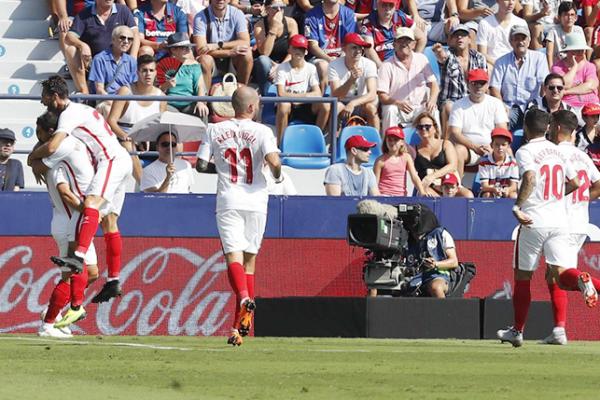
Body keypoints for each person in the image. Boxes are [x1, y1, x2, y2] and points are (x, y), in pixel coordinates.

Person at [28, 76, 133, 324]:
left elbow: (53, 147)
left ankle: (78, 256)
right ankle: (114, 280)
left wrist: (32, 157)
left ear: (55, 96)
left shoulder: (69, 113)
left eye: (45, 98)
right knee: (110, 222)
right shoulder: (85, 109)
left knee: (91, 204)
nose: (43, 103)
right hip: (120, 159)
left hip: (111, 160)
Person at [496, 108, 597, 347]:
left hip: (534, 220)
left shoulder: (525, 150)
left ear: (528, 129)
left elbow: (530, 178)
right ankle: (583, 280)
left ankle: (518, 331)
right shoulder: (558, 152)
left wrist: (518, 206)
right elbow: (575, 182)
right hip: (560, 221)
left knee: (523, 276)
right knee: (561, 275)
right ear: (547, 127)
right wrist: (553, 198)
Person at [195, 86, 282, 346]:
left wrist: (222, 169)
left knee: (232, 257)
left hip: (229, 199)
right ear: (252, 107)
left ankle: (244, 300)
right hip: (256, 200)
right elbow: (274, 163)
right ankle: (238, 329)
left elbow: (200, 165)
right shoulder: (263, 131)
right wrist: (276, 173)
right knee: (249, 264)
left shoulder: (214, 129)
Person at [31, 111, 99, 337]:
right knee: (72, 274)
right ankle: (49, 322)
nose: (36, 135)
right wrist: (90, 210)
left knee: (91, 273)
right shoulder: (58, 162)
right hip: (69, 221)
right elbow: (66, 194)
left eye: (39, 130)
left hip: (73, 220)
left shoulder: (57, 157)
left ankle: (54, 311)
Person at [541, 109, 600, 345]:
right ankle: (559, 330)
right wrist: (584, 198)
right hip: (579, 222)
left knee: (564, 276)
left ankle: (585, 282)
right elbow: (598, 183)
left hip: (559, 222)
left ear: (555, 128)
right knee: (551, 275)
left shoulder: (553, 154)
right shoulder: (582, 156)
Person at [107, 54, 168, 184]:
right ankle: (144, 186)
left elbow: (161, 126)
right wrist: (125, 136)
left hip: (149, 139)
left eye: (151, 70)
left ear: (156, 73)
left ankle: (172, 183)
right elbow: (111, 121)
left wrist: (149, 138)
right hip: (125, 138)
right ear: (137, 72)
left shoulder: (161, 96)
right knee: (129, 146)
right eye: (144, 70)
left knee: (174, 145)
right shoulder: (125, 91)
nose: (148, 74)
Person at [64, 0, 140, 94]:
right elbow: (68, 37)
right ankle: (85, 93)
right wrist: (82, 45)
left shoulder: (123, 10)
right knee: (71, 50)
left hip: (119, 61)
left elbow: (135, 34)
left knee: (146, 52)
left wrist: (132, 58)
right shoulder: (84, 14)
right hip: (93, 63)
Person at [448, 68, 509, 177]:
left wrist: (493, 146)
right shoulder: (458, 105)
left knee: (508, 151)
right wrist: (474, 147)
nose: (478, 86)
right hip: (468, 149)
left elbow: (502, 129)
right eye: (474, 83)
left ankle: (508, 188)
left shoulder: (496, 103)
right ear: (468, 84)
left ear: (487, 85)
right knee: (458, 150)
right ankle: (457, 187)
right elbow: (455, 133)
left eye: (482, 83)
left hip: (492, 146)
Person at [377, 27, 439, 131]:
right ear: (394, 44)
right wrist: (397, 103)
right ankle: (388, 144)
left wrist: (432, 101)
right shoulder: (386, 65)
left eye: (408, 41)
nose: (404, 44)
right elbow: (382, 96)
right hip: (398, 108)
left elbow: (434, 85)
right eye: (400, 40)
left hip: (420, 107)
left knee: (434, 110)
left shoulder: (422, 59)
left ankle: (437, 144)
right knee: (389, 110)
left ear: (414, 44)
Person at [489, 25, 549, 132]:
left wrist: (541, 105)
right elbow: (494, 87)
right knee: (501, 123)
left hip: (532, 106)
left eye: (523, 38)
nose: (520, 42)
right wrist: (502, 107)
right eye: (516, 39)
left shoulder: (539, 58)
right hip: (509, 106)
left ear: (529, 40)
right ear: (511, 42)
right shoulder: (501, 62)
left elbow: (544, 84)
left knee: (538, 123)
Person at [432, 24, 487, 136]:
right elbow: (442, 57)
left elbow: (484, 83)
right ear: (451, 40)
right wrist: (438, 52)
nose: (460, 38)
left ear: (469, 39)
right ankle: (447, 144)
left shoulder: (479, 58)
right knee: (449, 107)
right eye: (456, 36)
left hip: (473, 99)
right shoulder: (449, 55)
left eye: (463, 35)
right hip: (452, 99)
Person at [274, 34, 329, 144]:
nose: (298, 51)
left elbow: (317, 93)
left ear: (306, 52)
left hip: (305, 105)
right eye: (295, 48)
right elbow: (281, 93)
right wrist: (305, 96)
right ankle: (281, 144)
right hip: (288, 105)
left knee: (326, 106)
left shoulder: (311, 68)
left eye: (302, 49)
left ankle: (315, 140)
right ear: (289, 49)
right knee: (284, 105)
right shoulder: (282, 68)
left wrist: (297, 98)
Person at [193, 0, 253, 91]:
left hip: (232, 59)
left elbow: (245, 42)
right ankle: (204, 100)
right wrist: (229, 52)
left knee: (246, 53)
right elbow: (200, 49)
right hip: (212, 60)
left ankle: (242, 93)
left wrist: (218, 45)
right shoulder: (200, 17)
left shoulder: (237, 14)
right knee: (204, 59)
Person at [403, 203, 459, 298]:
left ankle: (444, 312)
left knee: (435, 287)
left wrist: (436, 264)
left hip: (438, 275)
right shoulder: (405, 237)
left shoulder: (441, 234)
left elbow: (454, 261)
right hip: (413, 277)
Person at [413, 112, 473, 197]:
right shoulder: (414, 149)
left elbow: (453, 166)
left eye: (427, 126)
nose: (423, 129)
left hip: (449, 184)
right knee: (425, 196)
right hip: (430, 188)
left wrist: (432, 176)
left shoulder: (445, 144)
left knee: (468, 195)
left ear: (434, 128)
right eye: (420, 127)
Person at [304, 0, 357, 93]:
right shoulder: (311, 15)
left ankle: (345, 99)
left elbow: (350, 42)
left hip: (343, 55)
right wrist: (330, 60)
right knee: (323, 66)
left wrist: (340, 59)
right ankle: (325, 102)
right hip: (320, 57)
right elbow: (313, 46)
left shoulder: (349, 14)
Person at [328, 33, 379, 129]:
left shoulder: (369, 64)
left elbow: (372, 94)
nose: (358, 51)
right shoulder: (334, 65)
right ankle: (333, 141)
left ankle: (376, 141)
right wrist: (351, 80)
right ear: (344, 49)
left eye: (360, 48)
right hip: (342, 103)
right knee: (337, 107)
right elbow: (336, 95)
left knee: (371, 108)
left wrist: (353, 103)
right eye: (354, 47)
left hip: (361, 103)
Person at [88, 25, 138, 117]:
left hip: (126, 102)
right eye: (122, 38)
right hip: (106, 101)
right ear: (113, 39)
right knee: (108, 108)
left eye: (130, 39)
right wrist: (114, 103)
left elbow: (134, 88)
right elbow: (100, 89)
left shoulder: (132, 61)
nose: (126, 41)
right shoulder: (99, 59)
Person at [252, 0, 299, 95]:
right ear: (267, 9)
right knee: (263, 60)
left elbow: (294, 50)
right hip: (267, 66)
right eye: (275, 7)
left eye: (281, 7)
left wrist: (280, 67)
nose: (279, 10)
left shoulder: (291, 23)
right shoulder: (259, 26)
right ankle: (267, 95)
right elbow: (265, 53)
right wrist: (273, 29)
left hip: (285, 63)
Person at [360, 0, 423, 67]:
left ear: (395, 6)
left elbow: (421, 38)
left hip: (403, 63)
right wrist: (383, 68)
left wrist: (414, 61)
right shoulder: (369, 22)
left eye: (391, 5)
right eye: (384, 5)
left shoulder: (400, 16)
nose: (387, 9)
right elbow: (369, 49)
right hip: (382, 65)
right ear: (377, 5)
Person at [160, 32, 209, 118]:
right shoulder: (163, 65)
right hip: (170, 104)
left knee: (202, 110)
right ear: (173, 50)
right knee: (165, 111)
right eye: (184, 47)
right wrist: (165, 86)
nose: (188, 49)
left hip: (189, 104)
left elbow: (200, 86)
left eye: (189, 47)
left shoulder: (194, 66)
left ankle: (202, 131)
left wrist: (200, 102)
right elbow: (157, 90)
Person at [551, 32, 600, 111]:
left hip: (592, 105)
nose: (580, 53)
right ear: (568, 51)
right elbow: (564, 85)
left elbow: (591, 86)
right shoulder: (557, 67)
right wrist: (575, 67)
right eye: (577, 50)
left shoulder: (589, 66)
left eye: (582, 50)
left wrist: (567, 92)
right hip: (569, 106)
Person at [374, 126, 427, 196]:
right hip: (384, 196)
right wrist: (377, 195)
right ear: (385, 141)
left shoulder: (406, 157)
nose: (392, 142)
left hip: (401, 196)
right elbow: (374, 183)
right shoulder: (380, 160)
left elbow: (414, 177)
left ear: (402, 142)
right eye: (389, 139)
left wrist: (422, 192)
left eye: (396, 140)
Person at [476, 0, 527, 67]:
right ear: (497, 1)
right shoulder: (484, 23)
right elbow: (482, 53)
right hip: (493, 65)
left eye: (513, 0)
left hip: (514, 65)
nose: (511, 3)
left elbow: (524, 51)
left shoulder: (521, 23)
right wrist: (499, 65)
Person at [477, 128, 518, 198]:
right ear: (491, 145)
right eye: (497, 144)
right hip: (490, 191)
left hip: (505, 192)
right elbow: (484, 186)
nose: (500, 148)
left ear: (508, 146)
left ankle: (512, 209)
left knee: (513, 195)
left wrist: (508, 190)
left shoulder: (513, 163)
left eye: (503, 145)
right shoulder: (484, 162)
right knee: (487, 195)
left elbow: (514, 186)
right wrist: (494, 189)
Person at [544, 2, 583, 68]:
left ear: (576, 17)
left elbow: (582, 53)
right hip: (558, 67)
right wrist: (551, 71)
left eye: (572, 15)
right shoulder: (553, 31)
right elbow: (549, 53)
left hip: (575, 66)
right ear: (559, 17)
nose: (569, 17)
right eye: (566, 15)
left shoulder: (579, 30)